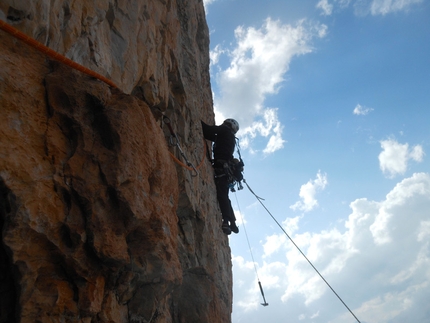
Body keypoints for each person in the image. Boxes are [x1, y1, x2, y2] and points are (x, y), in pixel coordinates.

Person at [201, 118, 240, 235]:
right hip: (225, 169)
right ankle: (232, 222)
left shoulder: (224, 130)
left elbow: (209, 130)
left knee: (222, 194)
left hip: (221, 167)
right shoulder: (230, 137)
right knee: (225, 196)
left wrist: (199, 121)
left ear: (227, 124)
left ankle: (227, 221)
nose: (222, 124)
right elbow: (210, 135)